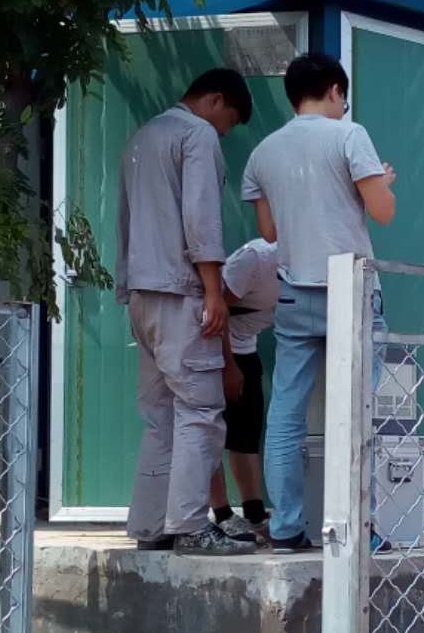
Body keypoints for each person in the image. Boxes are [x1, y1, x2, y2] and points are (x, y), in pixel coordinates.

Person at [240, 53, 396, 553]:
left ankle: (286, 528)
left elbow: (269, 232)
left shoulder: (263, 152)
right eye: (342, 98)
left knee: (286, 413)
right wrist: (381, 183)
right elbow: (383, 212)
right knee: (358, 411)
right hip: (349, 289)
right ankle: (358, 531)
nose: (343, 106)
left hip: (293, 290)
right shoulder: (350, 136)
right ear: (334, 90)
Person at [115, 68, 254, 554]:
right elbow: (201, 218)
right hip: (181, 293)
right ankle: (192, 525)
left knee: (160, 417)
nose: (223, 133)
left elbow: (125, 219)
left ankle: (151, 527)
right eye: (227, 123)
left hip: (142, 292)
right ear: (215, 100)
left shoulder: (142, 136)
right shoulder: (196, 135)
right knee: (200, 410)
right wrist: (214, 292)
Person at [206, 237, 283, 540]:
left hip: (247, 348)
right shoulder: (256, 258)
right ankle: (222, 514)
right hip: (213, 350)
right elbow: (214, 309)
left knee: (246, 435)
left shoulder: (308, 266)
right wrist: (228, 365)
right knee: (209, 433)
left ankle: (254, 514)